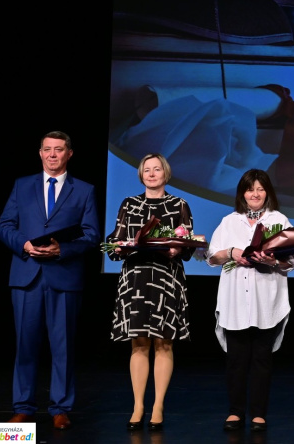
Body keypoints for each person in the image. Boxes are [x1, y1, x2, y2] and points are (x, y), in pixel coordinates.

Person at [0, 131, 101, 430]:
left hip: (64, 276)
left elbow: (91, 234)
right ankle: (23, 407)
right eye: (47, 149)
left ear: (69, 153)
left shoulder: (84, 190)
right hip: (26, 275)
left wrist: (62, 250)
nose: (52, 154)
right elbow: (5, 225)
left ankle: (60, 408)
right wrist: (24, 244)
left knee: (63, 346)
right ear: (40, 153)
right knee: (25, 345)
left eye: (58, 149)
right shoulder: (22, 185)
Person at [103, 153, 196, 431]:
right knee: (139, 343)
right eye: (147, 170)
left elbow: (187, 243)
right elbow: (114, 241)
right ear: (141, 175)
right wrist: (117, 246)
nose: (152, 174)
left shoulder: (179, 204)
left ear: (166, 173)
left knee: (164, 343)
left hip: (166, 278)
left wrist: (178, 248)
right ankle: (138, 406)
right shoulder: (129, 204)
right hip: (136, 279)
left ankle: (158, 406)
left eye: (157, 169)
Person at [206, 169, 294, 433]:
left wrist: (273, 260)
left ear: (267, 192)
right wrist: (232, 252)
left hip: (266, 299)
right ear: (242, 194)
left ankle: (258, 414)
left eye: (260, 188)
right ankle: (235, 412)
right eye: (249, 189)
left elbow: (291, 261)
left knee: (261, 360)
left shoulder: (279, 220)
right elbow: (212, 257)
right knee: (236, 361)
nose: (255, 194)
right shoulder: (229, 221)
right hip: (235, 300)